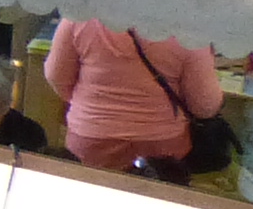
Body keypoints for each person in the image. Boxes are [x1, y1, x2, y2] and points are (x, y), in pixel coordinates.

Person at [40, 10, 222, 179]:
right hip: (162, 147)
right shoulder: (189, 31)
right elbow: (205, 106)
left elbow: (56, 76)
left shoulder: (81, 16)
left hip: (90, 140)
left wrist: (88, 106)